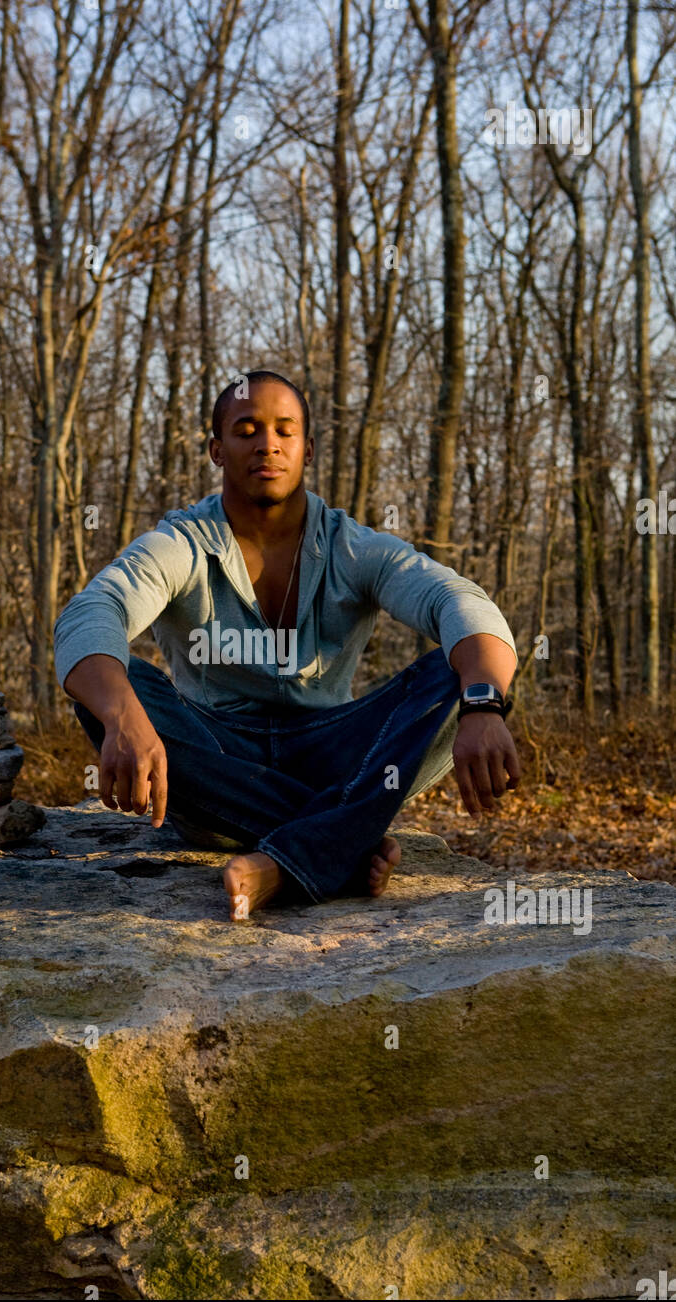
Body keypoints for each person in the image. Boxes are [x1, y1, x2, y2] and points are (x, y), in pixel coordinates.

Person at [54, 370, 521, 920]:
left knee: (458, 674)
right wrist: (123, 717)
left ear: (308, 448)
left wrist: (484, 705)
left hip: (333, 757)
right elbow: (92, 612)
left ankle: (297, 855)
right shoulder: (181, 543)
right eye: (246, 429)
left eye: (284, 430)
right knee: (111, 685)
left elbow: (455, 600)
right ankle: (339, 844)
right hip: (215, 762)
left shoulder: (352, 546)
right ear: (216, 450)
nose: (267, 444)